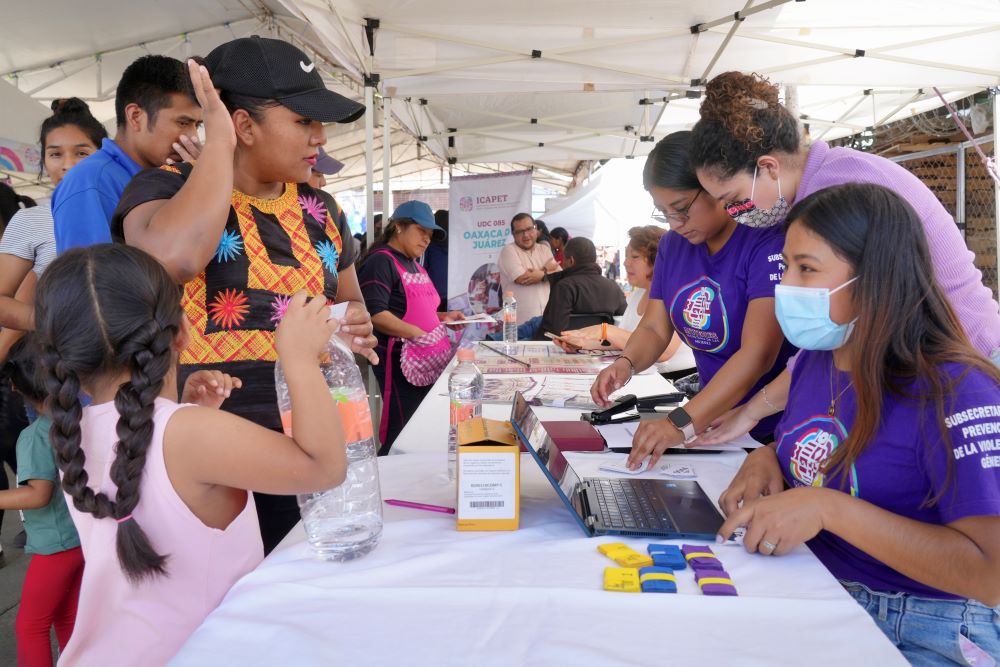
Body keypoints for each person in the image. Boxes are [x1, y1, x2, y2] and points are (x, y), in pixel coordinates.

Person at [717, 183, 1000, 663]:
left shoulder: (956, 389)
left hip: (927, 625)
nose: (785, 285)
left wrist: (829, 510)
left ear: (876, 279)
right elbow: (833, 447)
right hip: (817, 589)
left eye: (806, 268)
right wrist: (769, 458)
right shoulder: (816, 361)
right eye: (785, 266)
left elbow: (989, 575)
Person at [112, 38, 376, 554]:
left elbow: (351, 299)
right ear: (244, 125)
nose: (320, 138)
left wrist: (352, 321)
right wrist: (215, 151)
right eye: (304, 121)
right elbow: (175, 259)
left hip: (316, 448)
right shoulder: (163, 188)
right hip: (210, 468)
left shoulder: (322, 207)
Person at [36, 244, 349, 665]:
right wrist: (298, 358)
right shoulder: (185, 433)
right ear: (183, 330)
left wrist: (190, 413)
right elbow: (324, 466)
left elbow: (161, 478)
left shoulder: (73, 434)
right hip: (196, 652)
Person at [688, 71, 1000, 447]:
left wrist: (753, 413)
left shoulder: (840, 194)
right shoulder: (829, 177)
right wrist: (754, 416)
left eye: (732, 198)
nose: (734, 213)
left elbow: (842, 332)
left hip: (961, 367)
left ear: (768, 168)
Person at [591, 132, 796, 469]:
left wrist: (679, 422)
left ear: (715, 185)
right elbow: (656, 328)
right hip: (709, 422)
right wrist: (625, 364)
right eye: (663, 212)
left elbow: (757, 354)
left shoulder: (764, 241)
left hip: (770, 427)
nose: (675, 224)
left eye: (682, 209)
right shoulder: (674, 246)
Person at [52, 55, 202, 253]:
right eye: (183, 123)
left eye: (197, 125)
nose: (193, 138)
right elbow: (94, 278)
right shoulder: (91, 182)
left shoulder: (172, 178)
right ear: (135, 116)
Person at [1, 337, 82, 667]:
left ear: (14, 387)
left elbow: (37, 494)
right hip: (78, 541)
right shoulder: (76, 422)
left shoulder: (34, 436)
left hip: (54, 549)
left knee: (30, 626)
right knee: (68, 619)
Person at [358, 201, 461, 453]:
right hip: (400, 364)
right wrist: (418, 334)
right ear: (399, 227)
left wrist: (443, 317)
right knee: (401, 431)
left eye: (429, 235)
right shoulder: (381, 261)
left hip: (426, 361)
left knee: (420, 427)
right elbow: (375, 313)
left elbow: (414, 310)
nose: (426, 240)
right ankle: (389, 483)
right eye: (421, 231)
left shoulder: (413, 263)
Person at [0, 98, 107, 339]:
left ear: (103, 156)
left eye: (81, 152)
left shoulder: (128, 208)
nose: (68, 165)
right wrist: (50, 321)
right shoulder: (30, 220)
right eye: (55, 154)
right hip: (60, 361)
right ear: (44, 160)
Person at [556, 225, 696, 376]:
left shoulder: (677, 295)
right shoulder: (637, 295)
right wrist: (583, 344)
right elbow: (625, 342)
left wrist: (606, 331)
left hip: (677, 382)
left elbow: (664, 352)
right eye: (626, 256)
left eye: (634, 257)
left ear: (658, 260)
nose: (625, 263)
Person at [537, 237, 626, 339]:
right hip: (600, 346)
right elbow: (623, 321)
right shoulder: (613, 287)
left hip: (566, 346)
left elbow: (552, 330)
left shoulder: (564, 287)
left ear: (571, 261)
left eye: (564, 259)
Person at [497, 212, 561, 324]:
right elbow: (523, 279)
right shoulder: (508, 251)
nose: (526, 235)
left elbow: (559, 277)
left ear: (536, 229)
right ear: (513, 234)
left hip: (546, 322)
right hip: (518, 326)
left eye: (529, 229)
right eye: (520, 232)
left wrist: (541, 275)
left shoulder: (544, 250)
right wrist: (546, 270)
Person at [422, 209, 450, 310]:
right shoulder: (455, 246)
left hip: (433, 296)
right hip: (452, 296)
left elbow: (420, 269)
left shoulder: (427, 246)